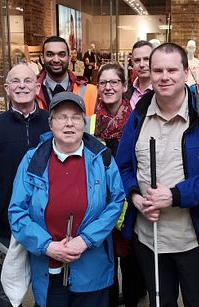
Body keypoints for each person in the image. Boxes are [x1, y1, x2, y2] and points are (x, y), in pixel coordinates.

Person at [116, 43, 199, 307]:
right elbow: (122, 167)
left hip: (194, 241)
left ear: (186, 73)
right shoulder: (137, 117)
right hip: (149, 240)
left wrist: (174, 195)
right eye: (157, 70)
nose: (164, 76)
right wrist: (136, 197)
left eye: (172, 69)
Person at [9, 92, 125, 307]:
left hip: (93, 269)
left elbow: (116, 202)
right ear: (51, 123)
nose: (69, 123)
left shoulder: (103, 158)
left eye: (76, 117)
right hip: (48, 267)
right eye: (61, 117)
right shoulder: (32, 161)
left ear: (84, 122)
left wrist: (86, 240)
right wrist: (46, 246)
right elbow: (17, 211)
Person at [0, 63, 50, 307]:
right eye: (15, 81)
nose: (22, 86)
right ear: (6, 88)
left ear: (37, 87)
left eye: (27, 81)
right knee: (8, 288)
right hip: (4, 227)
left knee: (45, 286)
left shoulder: (52, 123)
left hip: (46, 224)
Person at [87, 64, 145, 307]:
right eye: (103, 83)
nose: (108, 87)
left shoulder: (138, 120)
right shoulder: (90, 122)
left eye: (114, 82)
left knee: (131, 262)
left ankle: (132, 298)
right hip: (99, 203)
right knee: (104, 261)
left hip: (130, 201)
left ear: (124, 86)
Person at [36, 36, 98, 115]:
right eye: (50, 54)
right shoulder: (31, 92)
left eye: (61, 54)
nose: (56, 60)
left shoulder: (90, 92)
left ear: (69, 58)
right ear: (42, 58)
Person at [125, 40, 154, 109]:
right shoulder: (126, 93)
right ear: (132, 63)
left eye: (146, 59)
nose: (142, 65)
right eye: (137, 60)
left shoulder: (163, 91)